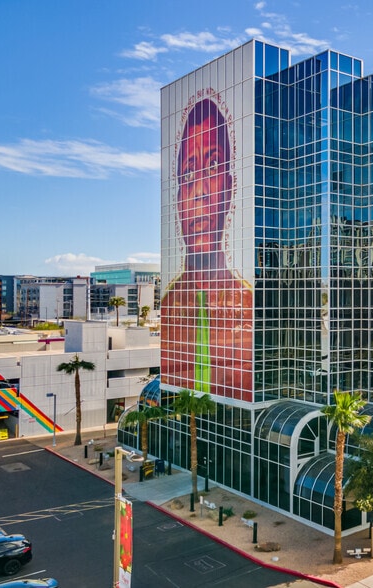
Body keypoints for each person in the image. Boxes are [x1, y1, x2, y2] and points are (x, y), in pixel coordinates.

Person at [161, 96, 253, 403]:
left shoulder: (251, 306)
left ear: (229, 188)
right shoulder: (169, 307)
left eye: (212, 166)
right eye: (188, 174)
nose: (199, 191)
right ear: (178, 200)